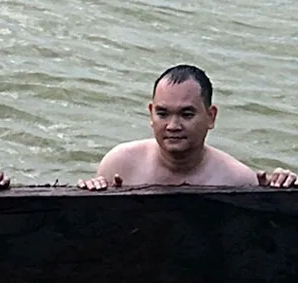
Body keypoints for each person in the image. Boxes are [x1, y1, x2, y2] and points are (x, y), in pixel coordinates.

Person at [78, 65, 296, 190]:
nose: (173, 126)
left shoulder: (237, 180)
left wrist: (283, 186)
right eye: (163, 114)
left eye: (187, 114)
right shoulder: (120, 164)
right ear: (151, 113)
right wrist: (92, 190)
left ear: (211, 117)